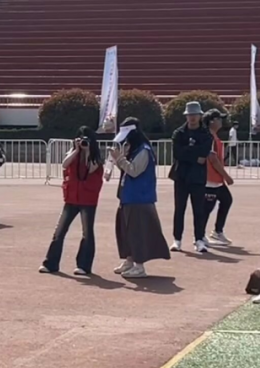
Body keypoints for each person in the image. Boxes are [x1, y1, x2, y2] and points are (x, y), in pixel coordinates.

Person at [108, 118, 170, 279]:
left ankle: (139, 266)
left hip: (139, 198)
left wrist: (119, 158)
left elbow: (134, 171)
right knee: (125, 231)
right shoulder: (135, 149)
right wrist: (118, 160)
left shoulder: (144, 150)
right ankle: (129, 260)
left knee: (137, 233)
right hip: (128, 197)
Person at [41, 126, 103, 276]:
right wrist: (76, 150)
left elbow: (91, 169)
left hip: (88, 199)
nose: (83, 142)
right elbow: (64, 164)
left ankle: (84, 265)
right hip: (71, 198)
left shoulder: (96, 157)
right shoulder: (73, 152)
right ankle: (50, 263)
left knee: (87, 232)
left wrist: (87, 151)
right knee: (59, 231)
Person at [170, 101, 213, 254]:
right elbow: (177, 153)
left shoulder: (206, 134)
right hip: (181, 176)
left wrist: (188, 152)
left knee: (199, 209)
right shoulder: (179, 133)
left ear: (200, 116)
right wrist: (195, 155)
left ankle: (199, 239)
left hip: (198, 177)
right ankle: (177, 239)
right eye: (189, 115)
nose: (192, 117)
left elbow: (204, 151)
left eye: (195, 115)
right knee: (179, 209)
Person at [201, 109, 234, 246]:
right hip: (210, 179)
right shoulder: (209, 137)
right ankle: (200, 235)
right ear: (211, 121)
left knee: (226, 200)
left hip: (216, 179)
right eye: (219, 119)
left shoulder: (214, 137)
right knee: (207, 208)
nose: (221, 121)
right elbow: (213, 160)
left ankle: (217, 231)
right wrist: (226, 176)